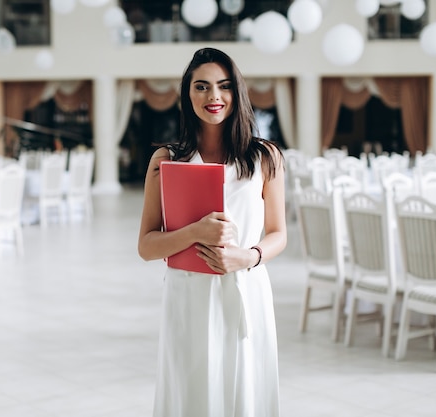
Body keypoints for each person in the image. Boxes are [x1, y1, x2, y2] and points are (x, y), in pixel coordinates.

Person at [138, 47, 287, 417]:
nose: (213, 97)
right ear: (188, 95)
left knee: (245, 387)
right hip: (187, 294)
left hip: (246, 290)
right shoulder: (167, 160)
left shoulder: (265, 158)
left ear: (237, 93)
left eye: (223, 86)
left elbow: (279, 233)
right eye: (201, 87)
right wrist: (195, 231)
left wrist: (248, 256)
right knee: (191, 391)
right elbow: (146, 245)